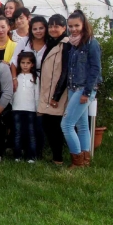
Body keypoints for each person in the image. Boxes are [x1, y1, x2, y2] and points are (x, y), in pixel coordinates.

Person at [61, 10, 102, 169]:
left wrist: (87, 92)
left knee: (66, 125)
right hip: (73, 87)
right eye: (70, 26)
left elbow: (95, 69)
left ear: (84, 25)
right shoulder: (73, 44)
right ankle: (85, 160)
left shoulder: (92, 43)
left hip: (84, 88)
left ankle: (77, 160)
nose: (73, 29)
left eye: (76, 25)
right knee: (82, 125)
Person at [37, 14, 70, 166]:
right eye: (51, 26)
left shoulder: (66, 45)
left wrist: (56, 96)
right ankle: (56, 157)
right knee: (48, 125)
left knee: (54, 126)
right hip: (47, 91)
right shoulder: (50, 43)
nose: (53, 29)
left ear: (64, 28)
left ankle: (58, 158)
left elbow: (65, 72)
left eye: (57, 26)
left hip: (58, 93)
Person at [12, 52, 40, 163]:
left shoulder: (35, 77)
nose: (25, 65)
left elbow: (37, 94)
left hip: (31, 110)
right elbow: (12, 93)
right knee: (17, 132)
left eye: (28, 63)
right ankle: (17, 156)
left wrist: (37, 109)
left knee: (31, 133)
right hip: (16, 109)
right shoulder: (16, 77)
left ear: (32, 64)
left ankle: (31, 156)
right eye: (23, 63)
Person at [11, 16, 48, 91]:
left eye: (41, 28)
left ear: (46, 28)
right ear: (31, 30)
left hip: (45, 81)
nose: (38, 31)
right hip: (24, 78)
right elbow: (14, 60)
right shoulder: (24, 41)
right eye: (35, 29)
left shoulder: (49, 44)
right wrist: (14, 78)